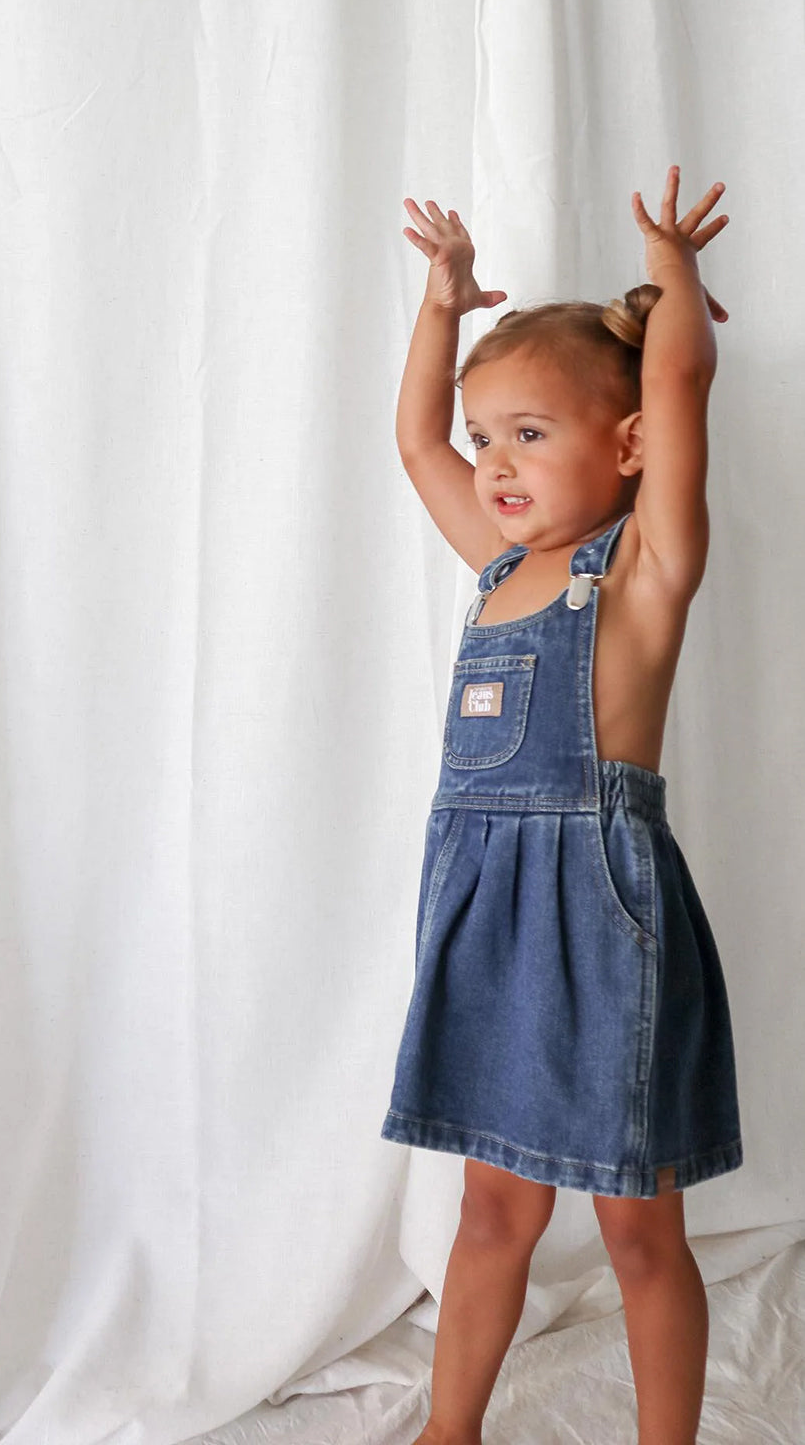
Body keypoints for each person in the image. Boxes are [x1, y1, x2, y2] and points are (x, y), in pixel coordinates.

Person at [380, 167, 743, 1445]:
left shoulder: (640, 572)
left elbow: (682, 382)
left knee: (639, 1232)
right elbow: (416, 441)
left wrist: (675, 274)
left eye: (529, 433)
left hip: (598, 921)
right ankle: (446, 1430)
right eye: (490, 438)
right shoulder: (493, 573)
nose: (492, 465)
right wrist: (441, 312)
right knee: (491, 1213)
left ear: (626, 444)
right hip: (487, 924)